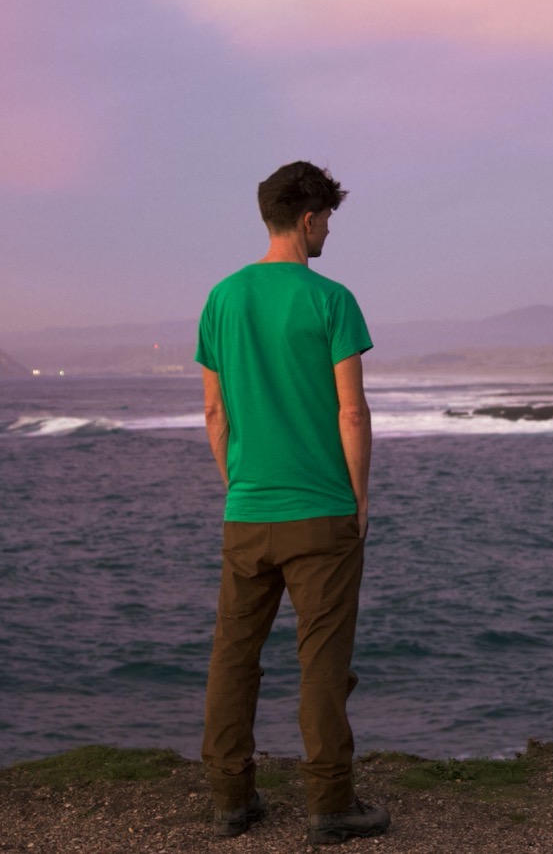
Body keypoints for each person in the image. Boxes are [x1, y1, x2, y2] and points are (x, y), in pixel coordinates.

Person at [195, 161, 389, 844]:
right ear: (307, 219)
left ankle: (229, 801)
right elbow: (353, 414)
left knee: (233, 658)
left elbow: (215, 415)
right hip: (322, 512)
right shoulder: (331, 300)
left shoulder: (221, 299)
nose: (330, 228)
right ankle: (329, 806)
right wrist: (359, 500)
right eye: (328, 217)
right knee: (323, 662)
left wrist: (239, 487)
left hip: (247, 512)